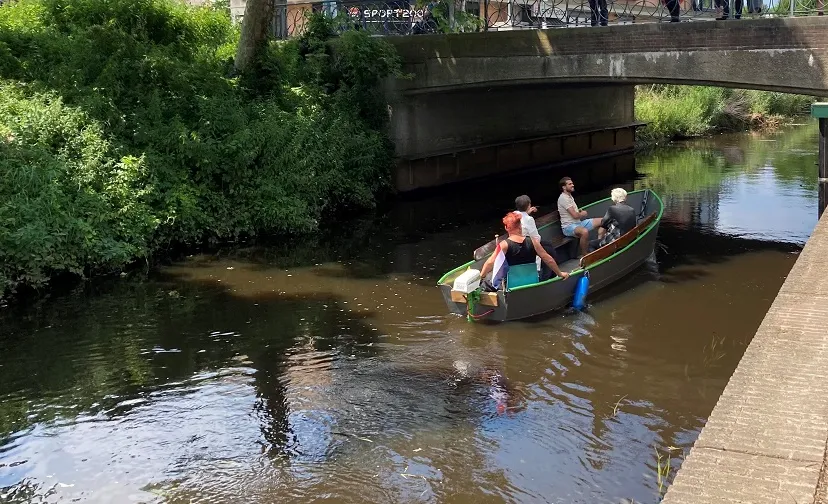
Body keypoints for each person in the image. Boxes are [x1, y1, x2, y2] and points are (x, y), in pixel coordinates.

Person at [479, 212, 569, 291]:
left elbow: (490, 262)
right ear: (520, 226)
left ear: (506, 228)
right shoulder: (533, 241)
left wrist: (481, 277)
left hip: (511, 285)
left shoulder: (504, 245)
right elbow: (548, 259)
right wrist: (560, 273)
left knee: (486, 282)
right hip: (531, 280)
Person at [514, 194, 564, 281]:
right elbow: (536, 237)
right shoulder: (529, 220)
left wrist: (527, 212)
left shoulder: (514, 214)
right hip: (528, 244)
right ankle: (547, 276)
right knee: (549, 251)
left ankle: (552, 273)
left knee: (548, 245)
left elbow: (522, 217)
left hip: (518, 242)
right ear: (529, 205)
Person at [557, 177, 603, 258]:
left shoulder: (569, 196)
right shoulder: (563, 198)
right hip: (568, 227)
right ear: (564, 187)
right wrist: (583, 213)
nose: (572, 185)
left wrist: (579, 212)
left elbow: (574, 212)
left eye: (572, 183)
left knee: (603, 221)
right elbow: (574, 215)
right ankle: (585, 255)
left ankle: (600, 244)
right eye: (570, 184)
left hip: (578, 223)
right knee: (584, 232)